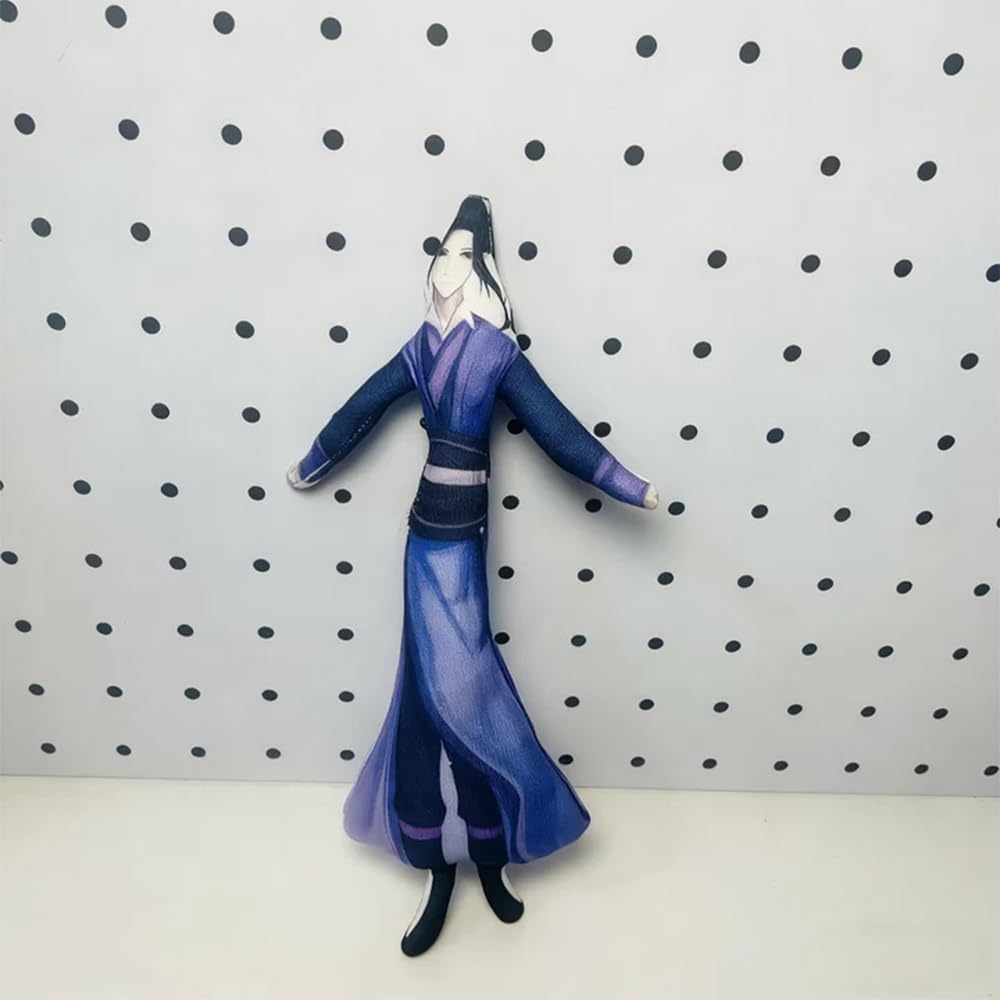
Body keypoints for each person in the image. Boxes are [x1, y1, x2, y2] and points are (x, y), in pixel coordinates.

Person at [288, 194, 658, 956]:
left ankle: (490, 857)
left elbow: (559, 432)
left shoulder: (496, 353)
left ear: (485, 268)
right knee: (427, 703)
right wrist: (311, 461)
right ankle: (439, 868)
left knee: (463, 689)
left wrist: (631, 486)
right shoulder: (419, 348)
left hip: (465, 538)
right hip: (423, 532)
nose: (449, 265)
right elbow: (359, 409)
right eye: (443, 253)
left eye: (464, 253)